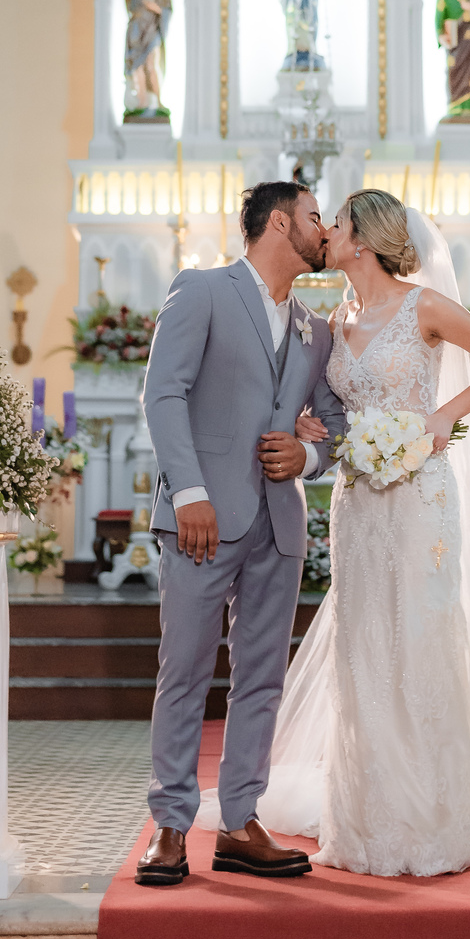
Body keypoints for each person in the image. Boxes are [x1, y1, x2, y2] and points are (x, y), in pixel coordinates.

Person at [197, 188, 470, 877]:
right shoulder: (333, 320)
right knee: (366, 651)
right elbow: (324, 409)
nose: (327, 232)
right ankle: (368, 813)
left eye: (339, 223)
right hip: (358, 502)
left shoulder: (425, 306)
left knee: (419, 639)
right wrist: (309, 428)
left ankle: (434, 813)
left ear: (364, 240)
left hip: (419, 497)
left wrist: (444, 416)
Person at [136, 181, 348, 886]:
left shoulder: (318, 330)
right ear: (281, 223)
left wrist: (308, 457)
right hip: (203, 519)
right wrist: (189, 493)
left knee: (262, 678)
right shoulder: (201, 291)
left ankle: (239, 821)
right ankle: (170, 823)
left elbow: (333, 423)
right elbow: (162, 392)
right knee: (185, 671)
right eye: (318, 218)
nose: (327, 231)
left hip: (278, 524)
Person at [120, 0, 172, 118]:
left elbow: (167, 11)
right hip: (136, 33)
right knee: (138, 67)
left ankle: (158, 100)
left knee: (151, 65)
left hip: (151, 32)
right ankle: (141, 102)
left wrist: (153, 7)